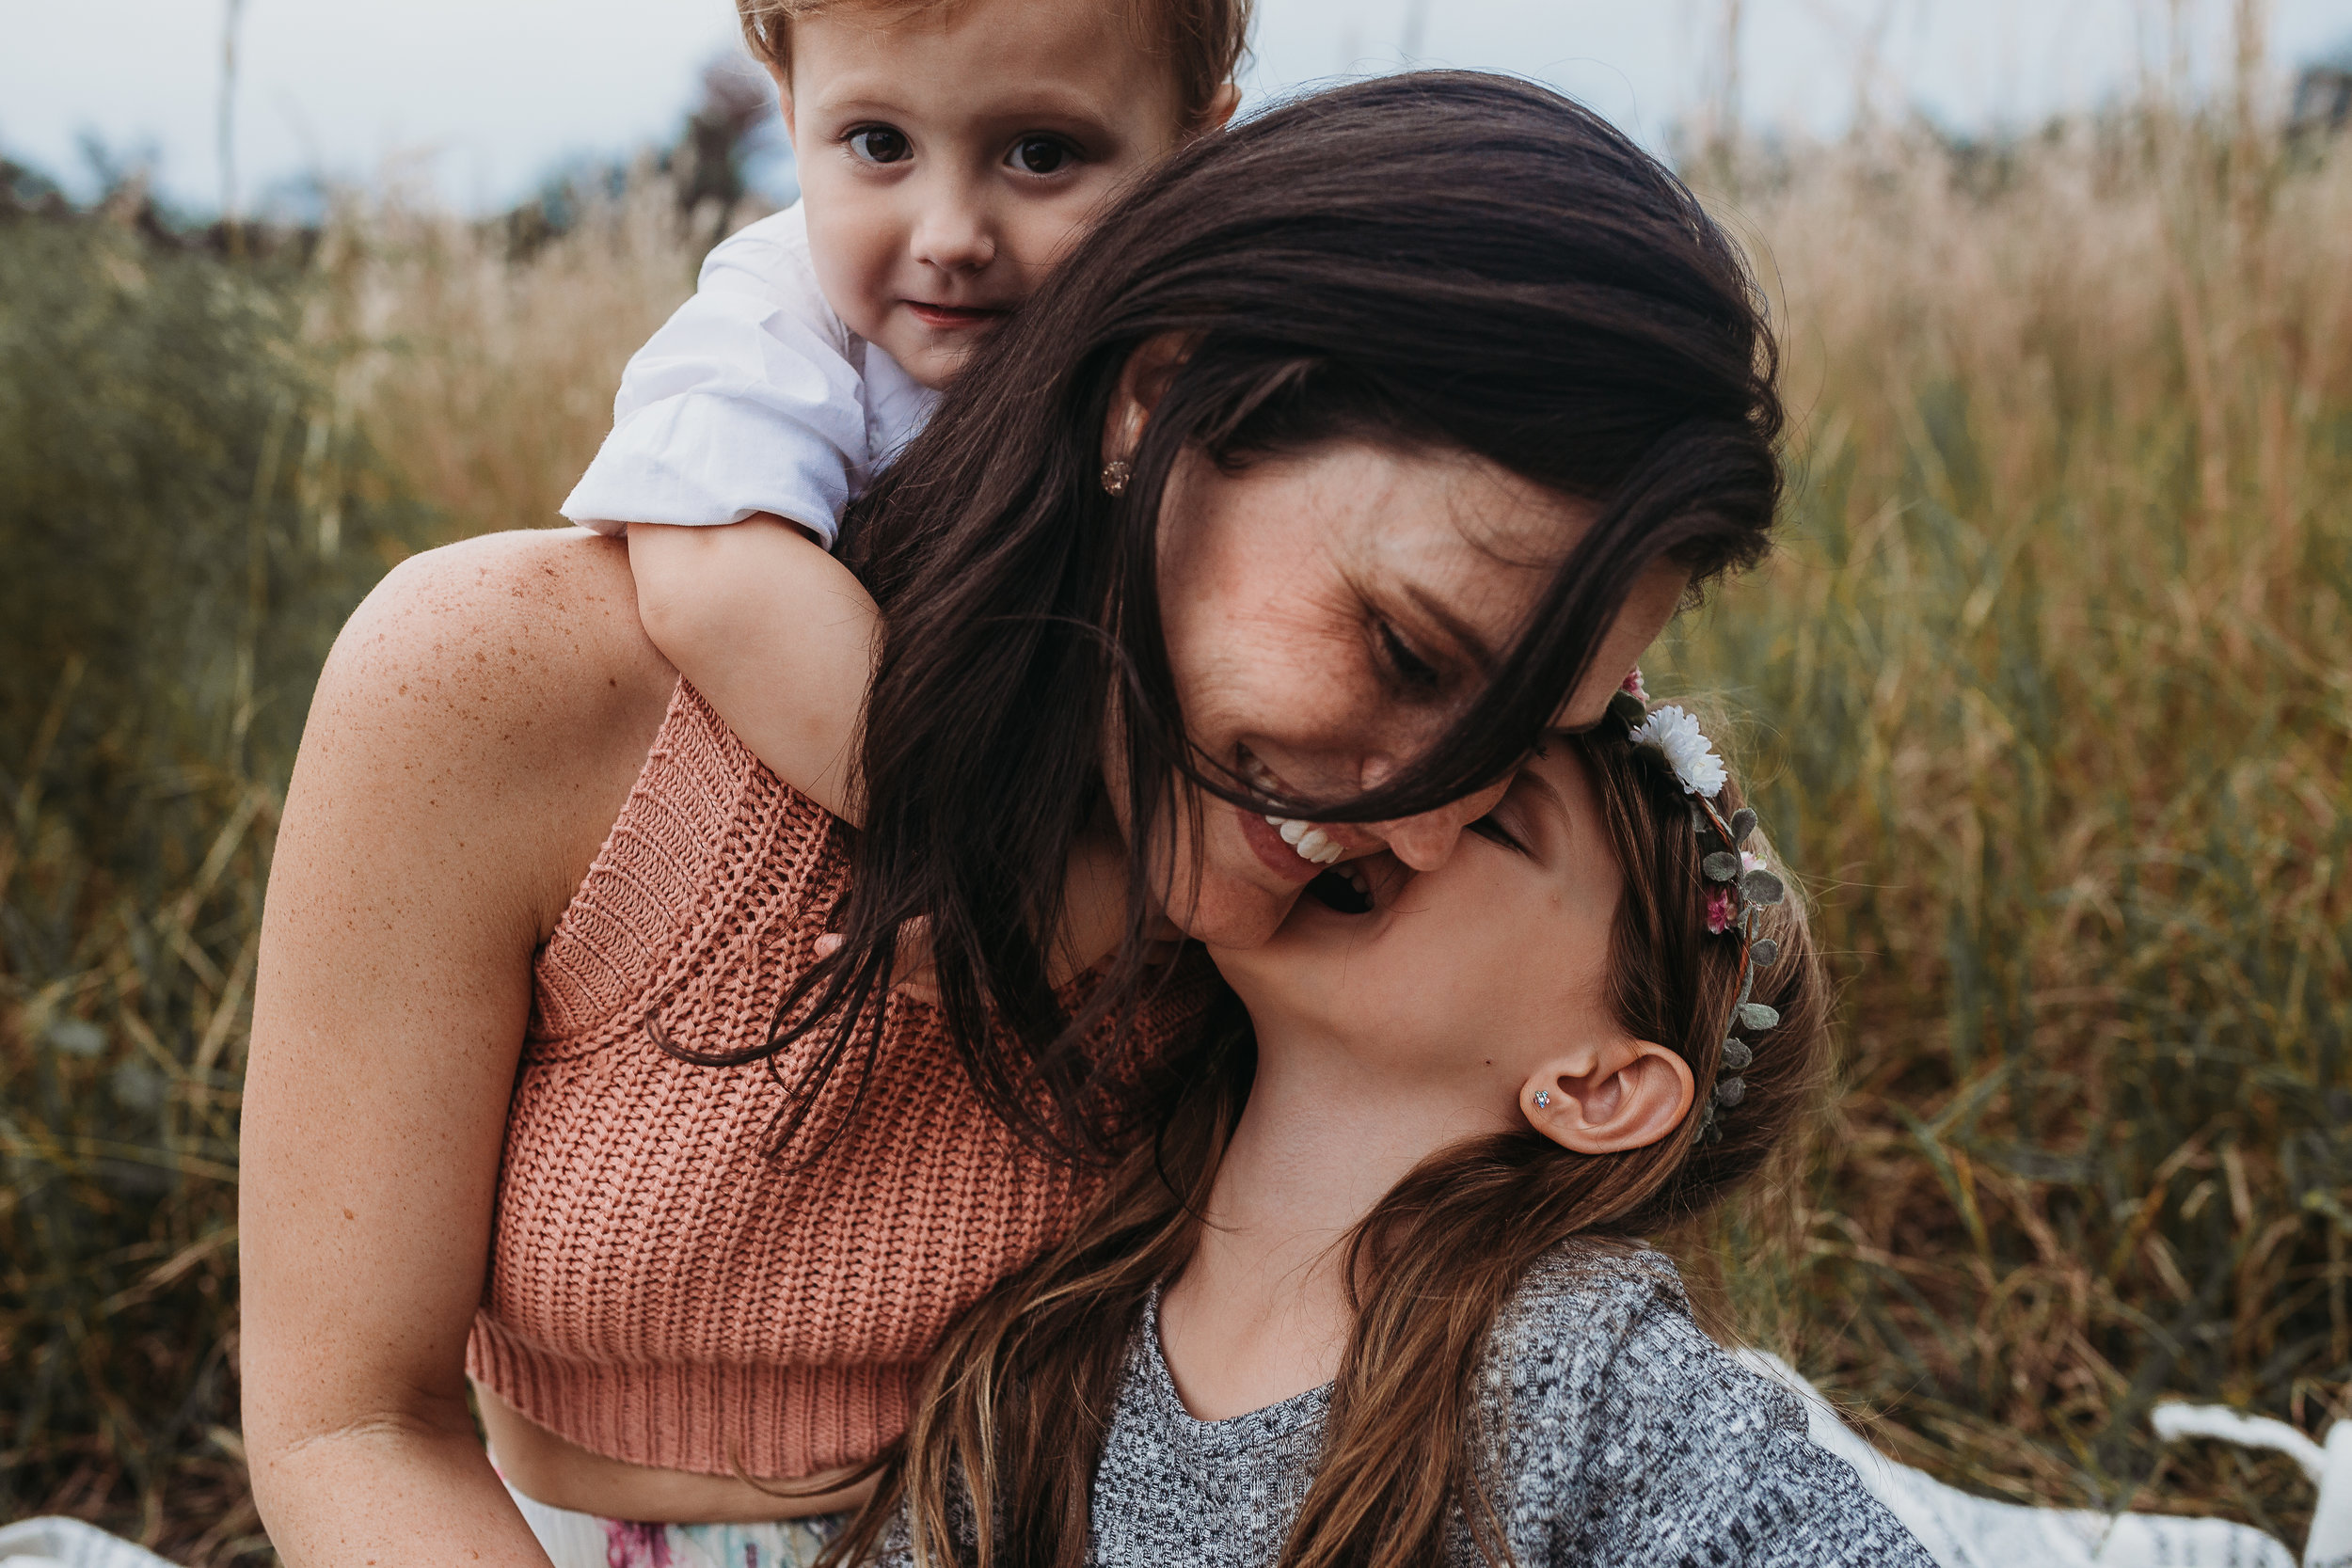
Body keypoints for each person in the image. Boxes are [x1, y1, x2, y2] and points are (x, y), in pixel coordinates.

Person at [238, 71, 1787, 1568]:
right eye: (1403, 650)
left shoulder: (1340, 922)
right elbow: (349, 1421)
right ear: (1161, 392)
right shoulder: (511, 684)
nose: (1426, 819)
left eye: (1521, 741)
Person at [846, 692, 1942, 1567]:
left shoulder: (1578, 1372)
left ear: (1598, 1084)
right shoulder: (1053, 1332)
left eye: (1498, 821)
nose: (1406, 815)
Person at [567, 0, 1247, 821]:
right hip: (947, 832)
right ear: (790, 118)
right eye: (880, 144)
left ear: (1193, 151)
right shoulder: (779, 314)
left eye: (1041, 154)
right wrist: (1002, 857)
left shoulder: (1211, 332)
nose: (950, 236)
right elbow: (712, 576)